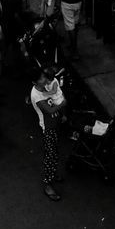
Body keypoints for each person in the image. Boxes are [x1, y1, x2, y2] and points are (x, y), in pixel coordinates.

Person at [30, 67, 66, 201]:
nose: (45, 79)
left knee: (54, 152)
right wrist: (63, 104)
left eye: (44, 76)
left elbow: (54, 96)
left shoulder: (44, 87)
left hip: (54, 125)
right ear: (35, 82)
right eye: (41, 78)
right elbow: (50, 110)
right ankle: (47, 184)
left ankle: (52, 174)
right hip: (48, 128)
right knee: (50, 156)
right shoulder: (36, 95)